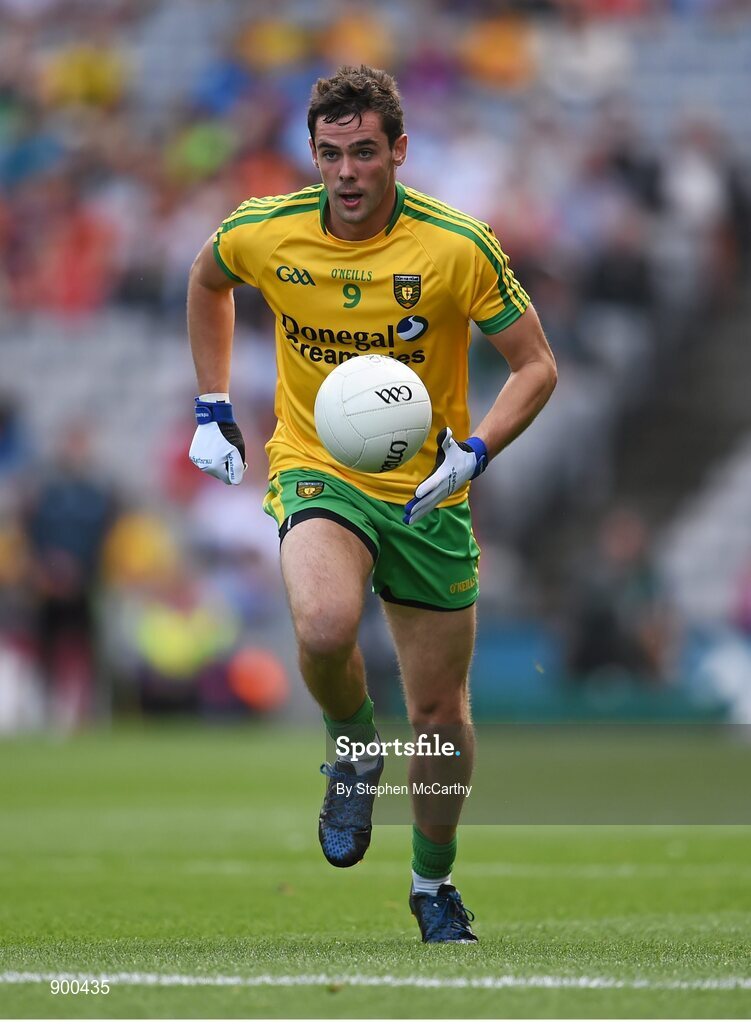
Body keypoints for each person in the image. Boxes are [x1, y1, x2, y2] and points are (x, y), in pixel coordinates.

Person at [187, 65, 557, 943]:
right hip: (318, 466)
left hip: (431, 492)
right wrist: (210, 404)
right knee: (320, 625)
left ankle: (433, 887)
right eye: (328, 154)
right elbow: (207, 282)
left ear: (397, 151)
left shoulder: (456, 245)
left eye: (362, 153)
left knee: (438, 716)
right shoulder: (263, 230)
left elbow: (536, 366)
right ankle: (351, 746)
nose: (345, 172)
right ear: (310, 155)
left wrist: (474, 456)